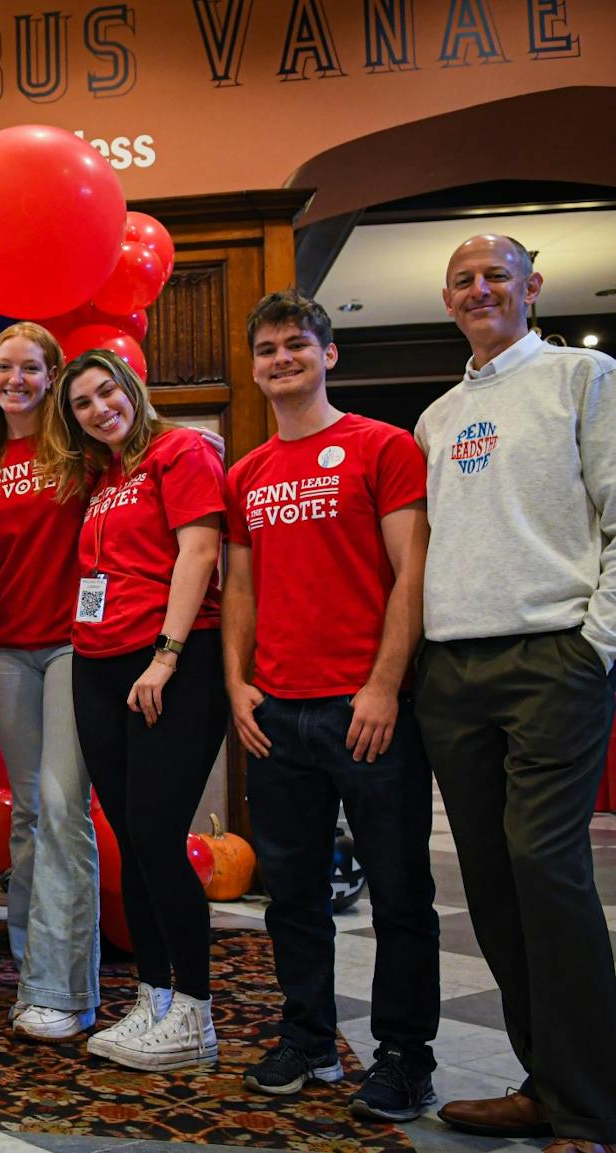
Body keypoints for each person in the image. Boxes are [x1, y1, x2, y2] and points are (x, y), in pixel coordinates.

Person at [412, 234, 616, 1152]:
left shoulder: (585, 378)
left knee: (547, 868)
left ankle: (591, 1107)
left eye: (496, 275)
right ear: (447, 299)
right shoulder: (438, 416)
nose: (480, 290)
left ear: (532, 285)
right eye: (463, 280)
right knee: (491, 881)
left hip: (550, 658)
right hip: (454, 670)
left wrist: (593, 647)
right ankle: (544, 1082)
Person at [222, 290, 439, 1119]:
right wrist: (238, 683)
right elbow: (241, 587)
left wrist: (384, 683)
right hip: (277, 714)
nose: (281, 359)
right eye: (268, 349)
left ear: (328, 355)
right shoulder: (247, 473)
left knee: (400, 894)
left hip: (367, 711)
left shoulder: (383, 447)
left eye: (297, 345)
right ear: (254, 367)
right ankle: (308, 1036)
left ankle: (404, 1055)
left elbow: (411, 572)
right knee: (292, 895)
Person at [45, 350, 228, 1072]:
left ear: (131, 388)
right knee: (132, 838)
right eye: (82, 404)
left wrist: (167, 654)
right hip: (98, 663)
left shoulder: (180, 451)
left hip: (167, 663)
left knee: (156, 835)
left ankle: (195, 1012)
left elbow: (199, 552)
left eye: (106, 392)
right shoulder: (105, 477)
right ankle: (154, 998)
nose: (99, 409)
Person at [0, 324, 99, 1042]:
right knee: (27, 814)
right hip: (7, 650)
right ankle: (31, 974)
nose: (16, 379)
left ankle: (66, 989)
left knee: (63, 808)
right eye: (4, 366)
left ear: (52, 376)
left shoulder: (77, 450)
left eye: (31, 368)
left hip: (73, 643)